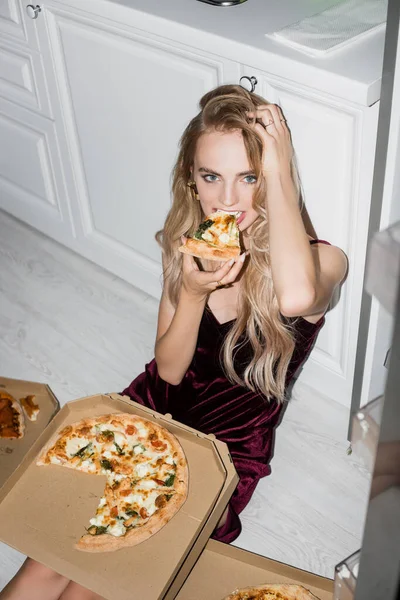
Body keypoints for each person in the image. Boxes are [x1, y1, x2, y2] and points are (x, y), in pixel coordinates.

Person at [0, 84, 347, 600]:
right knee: (50, 558)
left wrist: (280, 170)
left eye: (248, 177)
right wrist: (190, 293)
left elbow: (296, 298)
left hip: (225, 447)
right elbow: (167, 369)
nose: (227, 199)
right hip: (149, 412)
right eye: (211, 176)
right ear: (192, 179)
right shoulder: (187, 242)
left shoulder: (323, 260)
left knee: (98, 576)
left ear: (273, 178)